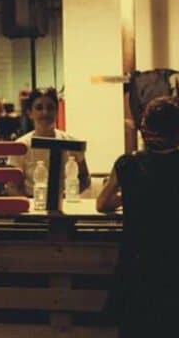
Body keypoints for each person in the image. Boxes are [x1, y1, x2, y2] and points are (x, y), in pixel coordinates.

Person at [97, 96, 179, 337]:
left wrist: (131, 196)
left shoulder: (127, 164)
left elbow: (102, 204)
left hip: (137, 264)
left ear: (145, 128)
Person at [7, 88, 90, 197]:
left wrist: (68, 196)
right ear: (30, 113)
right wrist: (30, 206)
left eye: (50, 108)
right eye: (39, 108)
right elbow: (12, 186)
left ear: (57, 112)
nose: (45, 113)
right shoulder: (20, 146)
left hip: (65, 206)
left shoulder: (72, 143)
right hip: (32, 208)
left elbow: (85, 179)